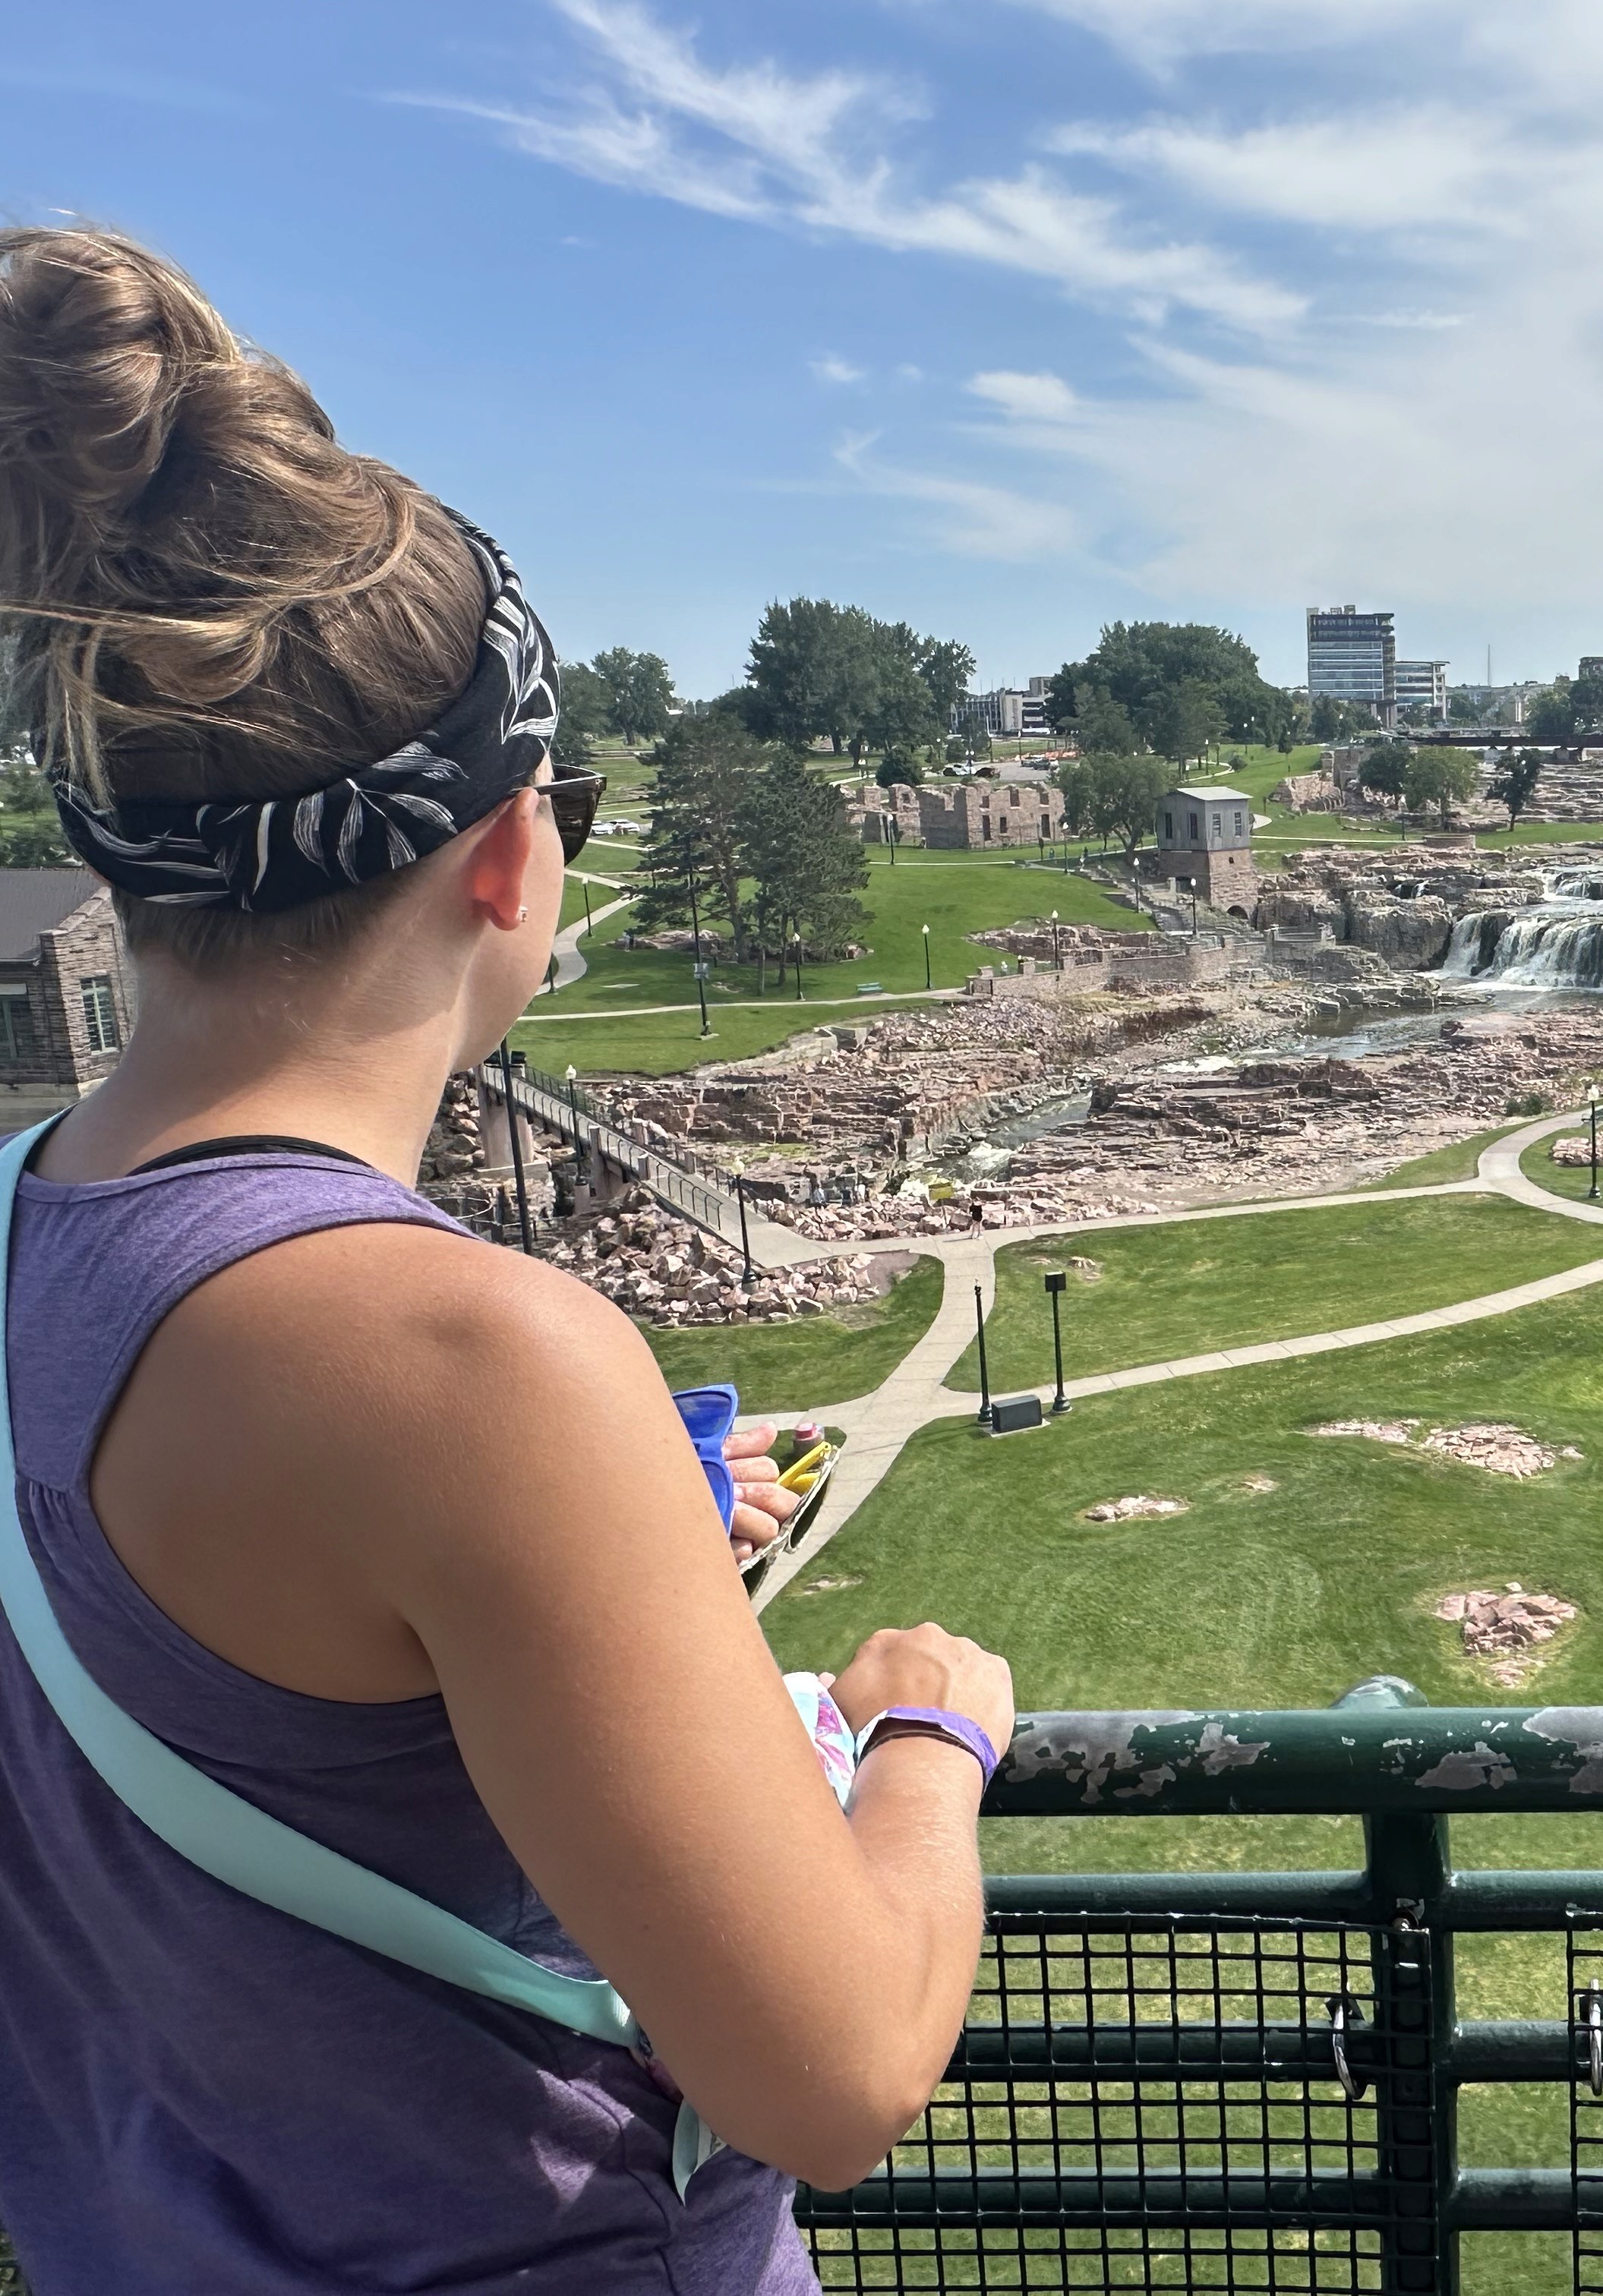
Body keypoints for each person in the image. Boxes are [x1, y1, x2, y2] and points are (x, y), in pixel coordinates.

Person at [0, 227, 1015, 2292]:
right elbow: (833, 2082)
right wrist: (928, 1739)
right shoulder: (468, 1359)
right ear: (509, 847)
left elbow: (242, 1678)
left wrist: (601, 1557)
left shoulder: (29, 1219)